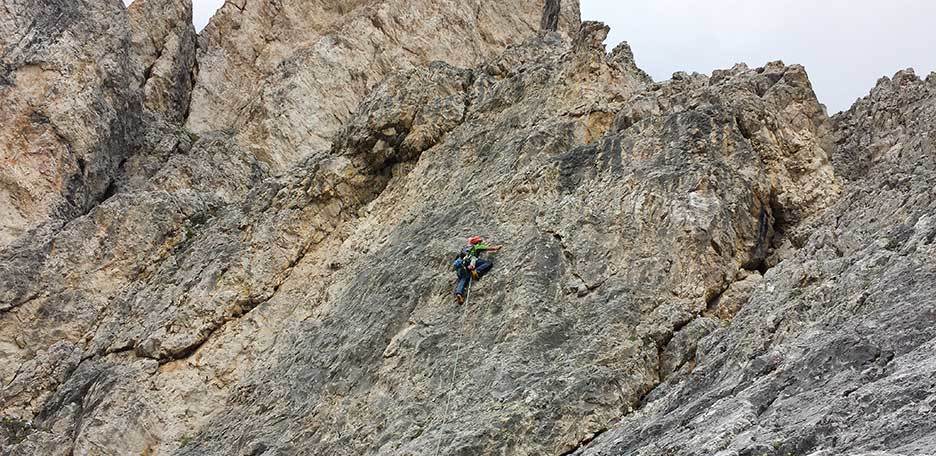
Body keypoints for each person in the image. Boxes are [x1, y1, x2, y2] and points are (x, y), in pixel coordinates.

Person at [453, 236, 503, 304]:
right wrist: (498, 247)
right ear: (477, 242)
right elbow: (490, 248)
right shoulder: (476, 247)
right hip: (470, 263)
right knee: (488, 263)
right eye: (479, 242)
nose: (481, 243)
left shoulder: (464, 248)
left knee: (464, 278)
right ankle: (477, 271)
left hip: (461, 267)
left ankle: (459, 293)